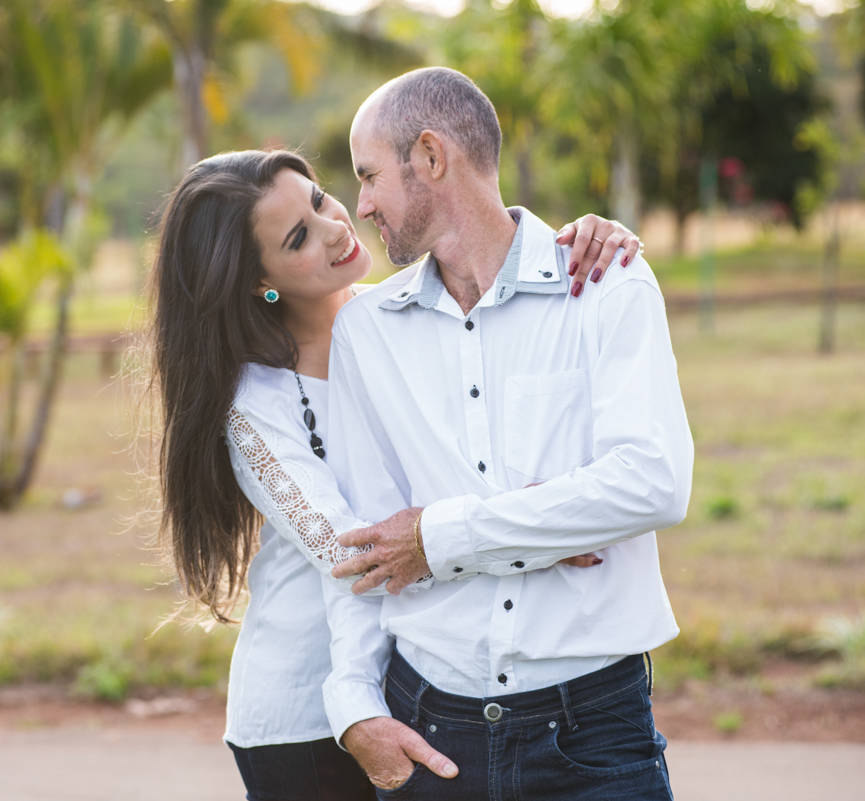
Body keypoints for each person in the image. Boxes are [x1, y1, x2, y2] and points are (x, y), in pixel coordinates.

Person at [144, 148, 642, 800]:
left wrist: (602, 241)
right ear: (255, 280)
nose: (334, 227)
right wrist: (529, 530)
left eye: (321, 199)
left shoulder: (405, 319)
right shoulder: (253, 408)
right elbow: (357, 552)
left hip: (422, 683)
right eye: (298, 237)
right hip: (305, 721)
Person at [318, 67, 693, 800]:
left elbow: (651, 482)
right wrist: (355, 704)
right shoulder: (365, 332)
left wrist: (441, 537)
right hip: (430, 732)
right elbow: (368, 547)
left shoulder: (608, 285)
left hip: (594, 736)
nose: (359, 205)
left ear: (430, 157)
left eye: (368, 177)